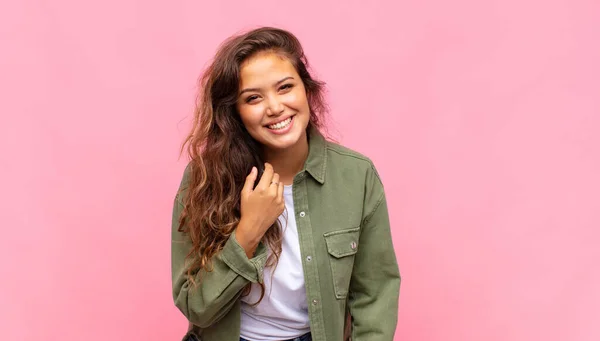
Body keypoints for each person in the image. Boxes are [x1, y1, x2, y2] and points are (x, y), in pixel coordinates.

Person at [171, 26, 400, 341]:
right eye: (253, 98)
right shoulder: (204, 180)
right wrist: (248, 231)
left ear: (306, 89)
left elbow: (375, 295)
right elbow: (196, 307)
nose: (275, 107)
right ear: (235, 113)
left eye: (285, 87)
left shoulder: (356, 176)